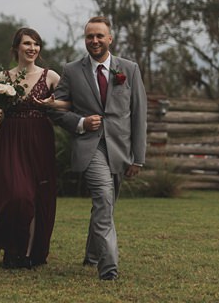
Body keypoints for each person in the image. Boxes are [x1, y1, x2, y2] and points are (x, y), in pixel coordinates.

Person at [49, 16, 147, 280]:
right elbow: (55, 110)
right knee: (103, 199)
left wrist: (138, 158)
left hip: (120, 148)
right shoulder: (71, 70)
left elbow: (138, 115)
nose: (94, 41)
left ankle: (92, 255)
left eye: (99, 36)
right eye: (90, 36)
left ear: (110, 39)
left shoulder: (130, 69)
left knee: (106, 205)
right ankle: (109, 268)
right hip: (89, 147)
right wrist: (80, 122)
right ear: (85, 39)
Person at [0, 28, 60, 269]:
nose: (32, 48)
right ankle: (8, 242)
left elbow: (69, 101)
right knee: (16, 195)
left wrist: (55, 103)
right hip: (11, 140)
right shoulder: (2, 78)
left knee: (37, 197)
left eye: (36, 44)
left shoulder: (50, 76)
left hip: (40, 139)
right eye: (27, 44)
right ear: (16, 48)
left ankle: (27, 254)